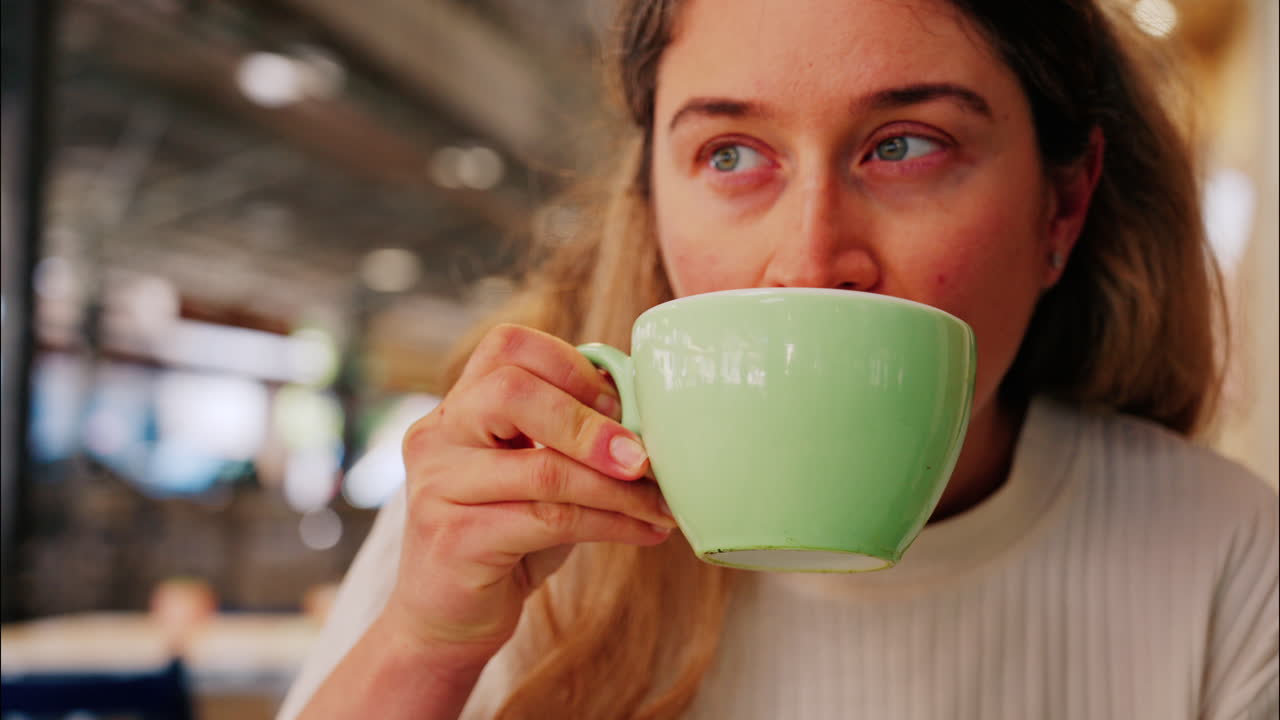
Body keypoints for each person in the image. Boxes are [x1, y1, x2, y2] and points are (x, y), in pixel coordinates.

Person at [280, 0, 1279, 718]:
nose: (805, 260)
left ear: (1059, 207)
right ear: (654, 202)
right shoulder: (499, 518)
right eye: (729, 155)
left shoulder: (1224, 556)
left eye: (903, 146)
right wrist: (424, 649)